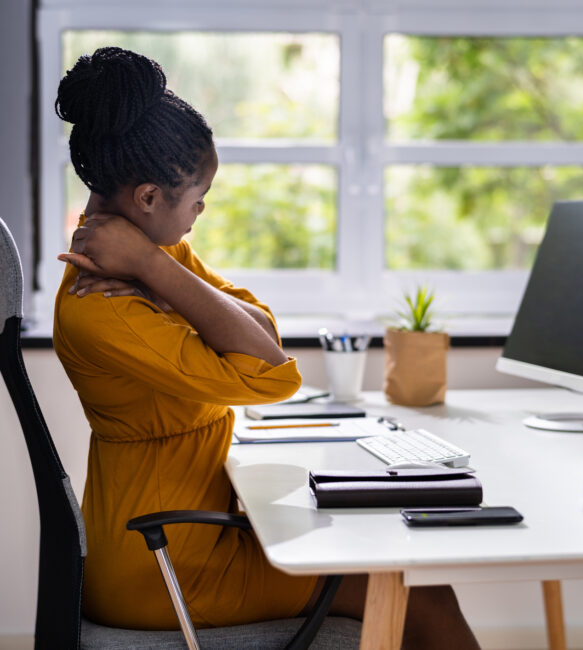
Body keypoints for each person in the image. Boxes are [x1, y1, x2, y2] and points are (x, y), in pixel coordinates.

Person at [54, 46, 480, 648]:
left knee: (405, 572)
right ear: (148, 198)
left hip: (190, 533)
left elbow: (257, 327)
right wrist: (156, 268)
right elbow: (273, 376)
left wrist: (160, 273)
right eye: (197, 198)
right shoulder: (104, 306)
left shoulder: (152, 256)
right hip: (164, 563)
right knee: (423, 595)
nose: (200, 210)